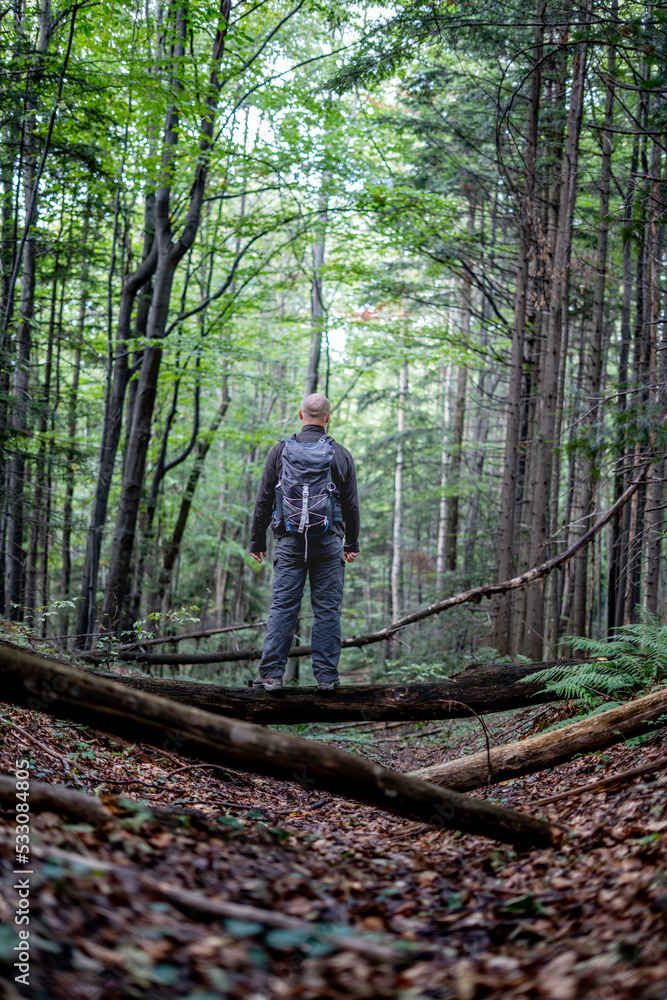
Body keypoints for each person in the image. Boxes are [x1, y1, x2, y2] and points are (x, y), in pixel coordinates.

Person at [250, 393, 360, 691]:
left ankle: (272, 675)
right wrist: (352, 544)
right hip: (328, 542)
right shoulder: (341, 454)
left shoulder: (280, 451)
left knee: (284, 607)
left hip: (289, 541)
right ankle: (326, 678)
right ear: (328, 417)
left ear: (301, 415)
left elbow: (264, 499)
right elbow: (351, 505)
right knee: (326, 610)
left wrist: (256, 540)